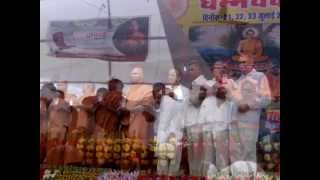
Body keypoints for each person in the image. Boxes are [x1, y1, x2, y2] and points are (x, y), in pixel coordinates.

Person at [229, 62, 271, 175]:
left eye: (245, 62)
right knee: (235, 152)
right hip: (234, 121)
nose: (242, 65)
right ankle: (237, 176)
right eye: (240, 63)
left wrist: (248, 105)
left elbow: (266, 99)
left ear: (252, 62)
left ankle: (250, 177)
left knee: (248, 151)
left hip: (249, 121)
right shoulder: (238, 80)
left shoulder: (259, 76)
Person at [198, 61, 235, 176]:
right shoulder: (207, 83)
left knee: (222, 156)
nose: (219, 70)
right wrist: (208, 90)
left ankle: (223, 177)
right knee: (207, 157)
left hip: (222, 124)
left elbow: (231, 96)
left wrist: (220, 86)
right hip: (207, 124)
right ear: (212, 70)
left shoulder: (230, 82)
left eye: (221, 68)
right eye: (216, 68)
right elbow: (200, 96)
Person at [179, 61, 210, 176]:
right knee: (192, 154)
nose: (190, 72)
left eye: (192, 69)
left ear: (200, 70)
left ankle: (199, 175)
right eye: (189, 70)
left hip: (198, 124)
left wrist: (195, 92)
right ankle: (194, 175)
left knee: (198, 154)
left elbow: (196, 102)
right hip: (191, 123)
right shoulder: (194, 84)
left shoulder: (203, 83)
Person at [125, 67, 153, 145]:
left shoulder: (148, 89)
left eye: (135, 73)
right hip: (129, 124)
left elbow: (145, 106)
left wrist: (130, 109)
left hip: (141, 124)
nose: (132, 75)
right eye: (132, 73)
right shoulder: (128, 89)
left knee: (140, 149)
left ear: (142, 76)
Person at [45, 90, 72, 165]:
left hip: (56, 128)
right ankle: (56, 162)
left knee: (54, 146)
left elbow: (50, 115)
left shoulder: (55, 103)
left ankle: (52, 162)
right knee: (58, 147)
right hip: (60, 128)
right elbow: (69, 117)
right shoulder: (63, 103)